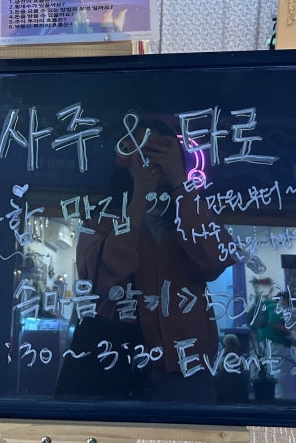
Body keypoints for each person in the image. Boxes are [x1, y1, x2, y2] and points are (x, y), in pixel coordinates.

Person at [72, 118, 235, 403]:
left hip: (187, 366)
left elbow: (215, 259)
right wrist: (138, 198)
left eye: (162, 151)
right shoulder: (102, 219)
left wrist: (180, 181)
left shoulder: (192, 213)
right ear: (125, 159)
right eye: (142, 151)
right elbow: (98, 282)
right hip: (118, 361)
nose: (152, 160)